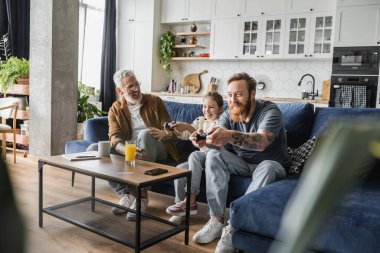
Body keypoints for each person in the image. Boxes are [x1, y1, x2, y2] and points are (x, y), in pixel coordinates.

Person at [191, 73, 290, 253]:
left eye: (238, 94)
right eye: (229, 95)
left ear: (252, 94)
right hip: (242, 163)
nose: (233, 100)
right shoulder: (228, 114)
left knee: (267, 166)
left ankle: (233, 227)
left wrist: (228, 135)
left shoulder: (270, 111)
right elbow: (216, 138)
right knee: (213, 154)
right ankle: (216, 219)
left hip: (270, 165)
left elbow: (262, 142)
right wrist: (204, 141)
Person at [98, 69, 179, 221]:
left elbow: (169, 127)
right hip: (132, 148)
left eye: (137, 84)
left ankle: (142, 196)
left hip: (157, 146)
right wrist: (125, 149)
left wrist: (166, 132)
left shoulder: (155, 101)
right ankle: (126, 194)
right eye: (130, 86)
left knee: (145, 134)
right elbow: (114, 137)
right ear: (119, 90)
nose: (136, 89)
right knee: (102, 152)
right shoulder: (115, 109)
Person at [165, 92, 224, 224]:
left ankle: (190, 200)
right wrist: (177, 130)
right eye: (204, 106)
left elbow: (207, 138)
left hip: (214, 159)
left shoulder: (222, 122)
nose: (207, 110)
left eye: (211, 107)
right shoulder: (200, 120)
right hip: (198, 162)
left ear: (220, 109)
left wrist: (189, 128)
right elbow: (186, 135)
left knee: (195, 155)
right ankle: (182, 208)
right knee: (180, 169)